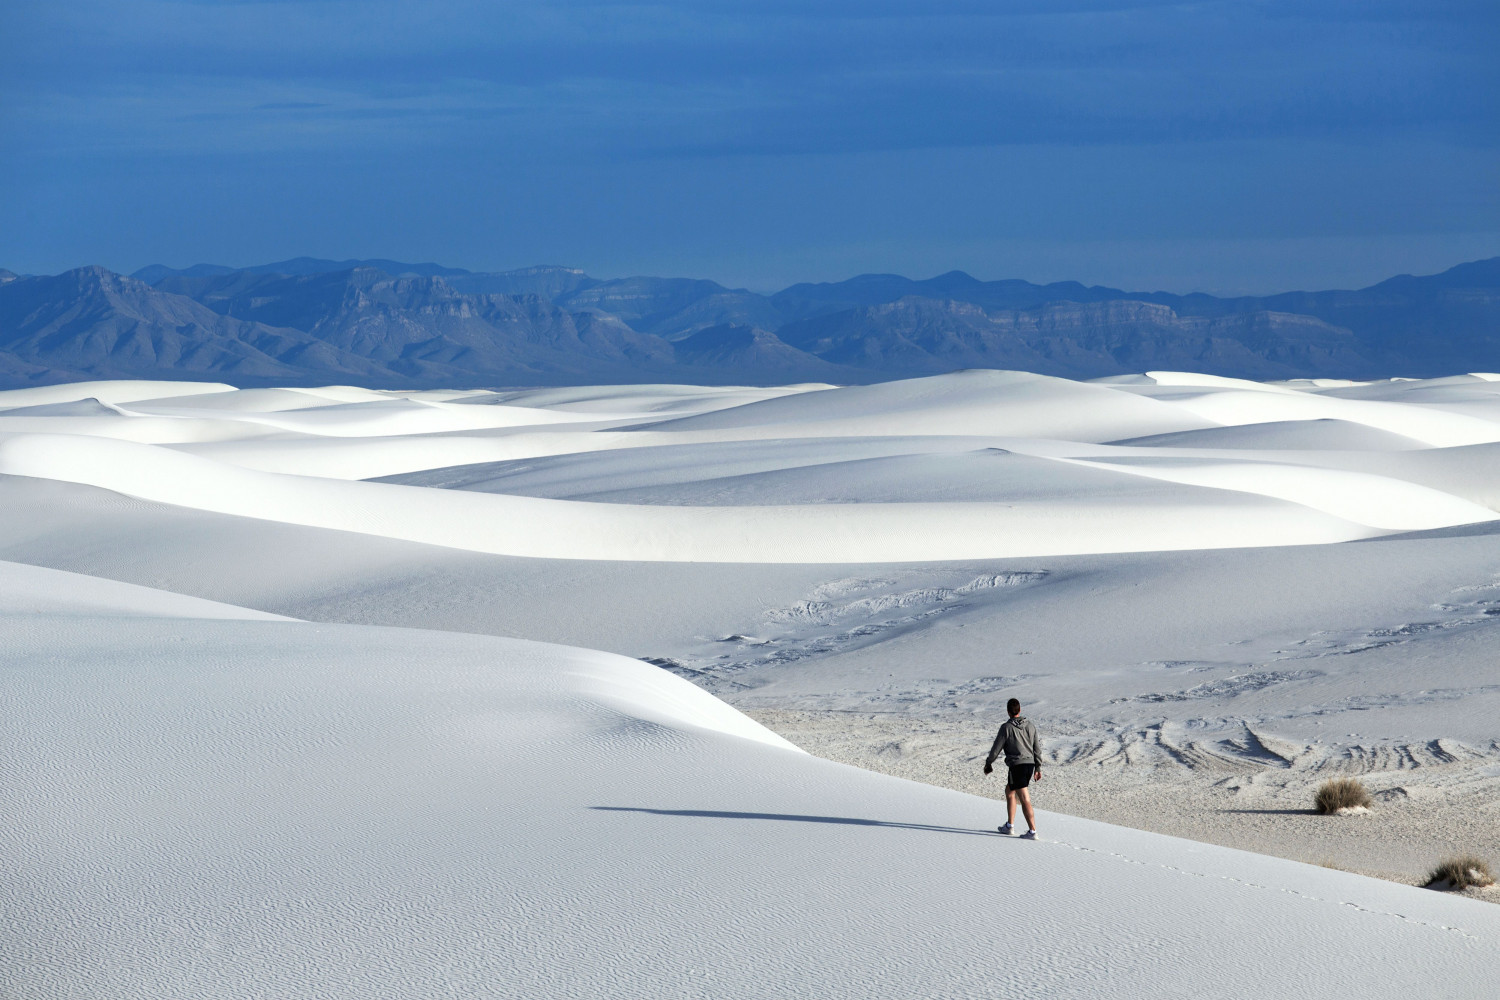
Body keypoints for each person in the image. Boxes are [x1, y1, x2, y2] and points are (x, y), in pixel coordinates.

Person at [983, 698, 1041, 839]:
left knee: (1024, 798)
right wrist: (1038, 767)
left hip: (1017, 766)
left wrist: (989, 763)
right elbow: (1037, 748)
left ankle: (1032, 831)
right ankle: (1009, 826)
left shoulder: (1006, 728)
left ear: (1008, 711)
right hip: (1030, 765)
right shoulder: (1030, 726)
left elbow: (996, 748)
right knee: (1010, 791)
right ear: (1019, 710)